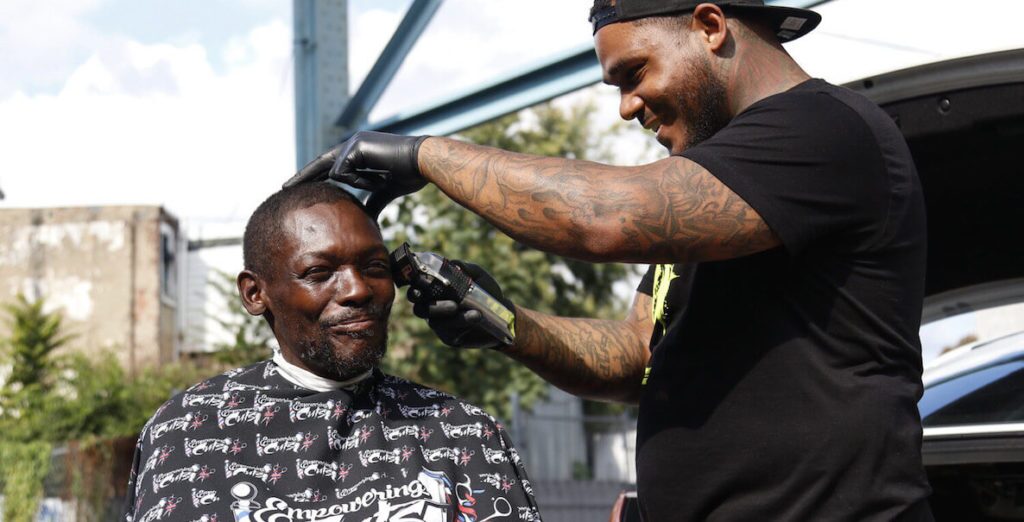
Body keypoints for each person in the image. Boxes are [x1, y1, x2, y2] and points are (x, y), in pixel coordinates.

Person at [287, 1, 936, 520]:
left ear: (709, 26)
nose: (627, 105)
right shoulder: (718, 188)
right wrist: (503, 323)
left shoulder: (823, 129)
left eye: (634, 73)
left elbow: (604, 218)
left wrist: (423, 155)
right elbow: (634, 358)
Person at [121, 183, 541, 522]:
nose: (357, 290)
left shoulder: (460, 433)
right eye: (319, 273)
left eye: (374, 267)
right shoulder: (189, 430)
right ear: (255, 293)